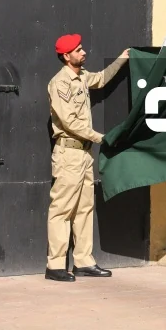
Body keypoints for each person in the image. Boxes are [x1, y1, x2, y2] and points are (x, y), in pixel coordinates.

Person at [45, 33, 129, 282]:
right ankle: (55, 265)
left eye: (81, 48)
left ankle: (83, 261)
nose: (83, 53)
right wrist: (99, 137)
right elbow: (68, 121)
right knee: (61, 209)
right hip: (68, 152)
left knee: (84, 208)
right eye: (78, 50)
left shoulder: (81, 76)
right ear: (66, 56)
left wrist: (122, 59)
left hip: (83, 154)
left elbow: (101, 79)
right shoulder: (59, 83)